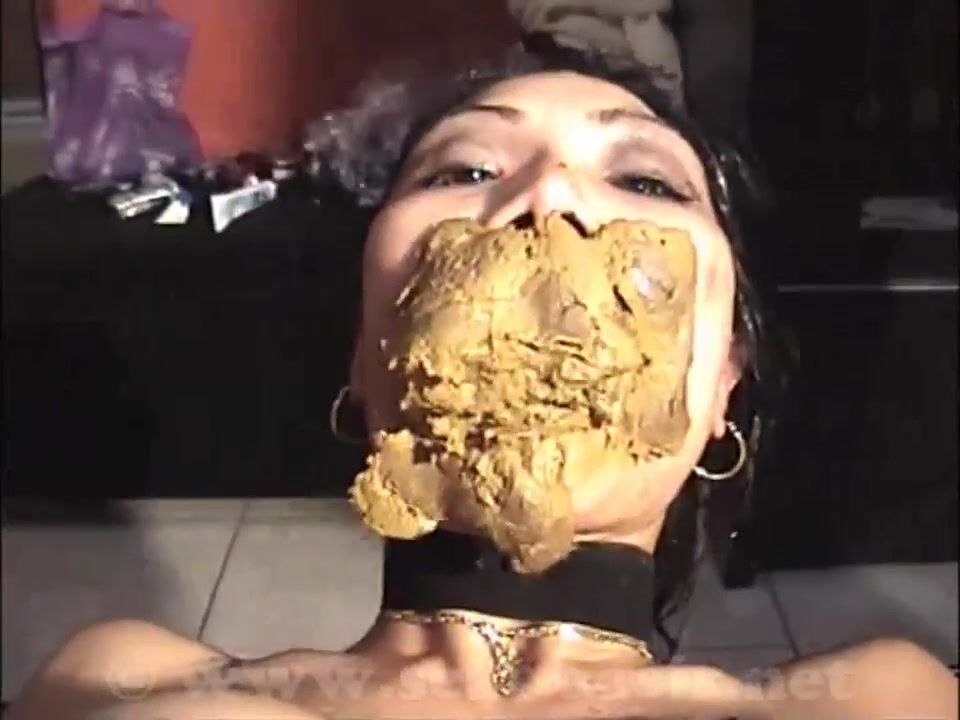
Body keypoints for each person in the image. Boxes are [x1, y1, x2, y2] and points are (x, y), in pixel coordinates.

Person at [10, 48, 958, 720]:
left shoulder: (876, 699)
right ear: (363, 358)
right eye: (466, 169)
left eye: (647, 184)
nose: (549, 195)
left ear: (722, 394)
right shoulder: (121, 679)